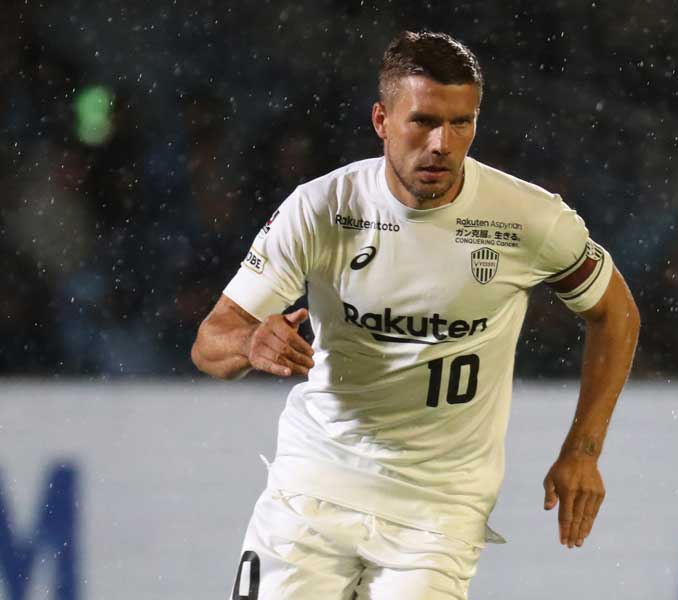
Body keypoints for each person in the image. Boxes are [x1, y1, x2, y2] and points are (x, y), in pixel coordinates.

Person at [191, 30, 640, 600]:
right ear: (381, 120)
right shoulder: (321, 208)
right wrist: (250, 341)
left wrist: (583, 449)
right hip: (313, 489)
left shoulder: (527, 219)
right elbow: (210, 342)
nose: (442, 144)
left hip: (438, 511)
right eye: (423, 122)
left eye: (461, 123)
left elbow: (616, 314)